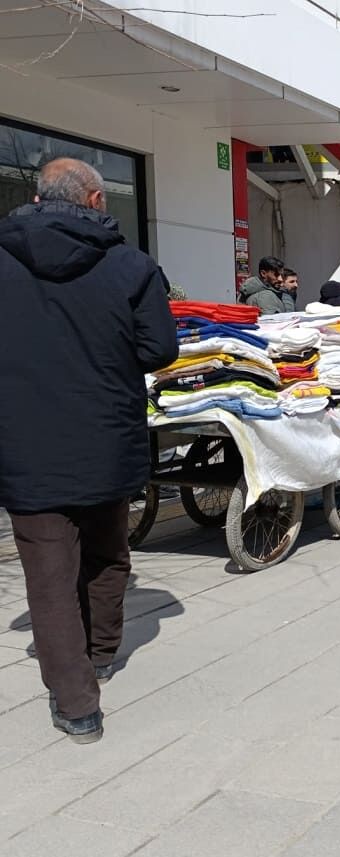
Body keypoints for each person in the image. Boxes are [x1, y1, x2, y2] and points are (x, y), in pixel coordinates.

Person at [0, 158, 179, 743]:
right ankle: (101, 653)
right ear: (97, 201)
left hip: (25, 444)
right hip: (105, 437)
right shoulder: (130, 265)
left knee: (49, 578)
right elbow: (158, 350)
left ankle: (77, 705)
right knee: (107, 553)